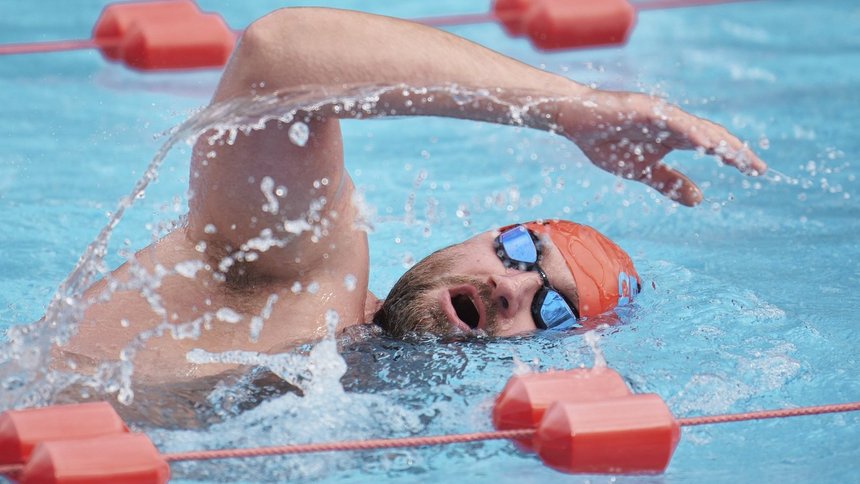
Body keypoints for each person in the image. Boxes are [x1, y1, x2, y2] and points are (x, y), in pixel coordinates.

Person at [57, 8, 766, 387]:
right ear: (476, 237)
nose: (512, 286)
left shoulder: (381, 416)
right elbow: (277, 54)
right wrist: (570, 107)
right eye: (521, 249)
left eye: (553, 307)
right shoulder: (293, 275)